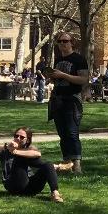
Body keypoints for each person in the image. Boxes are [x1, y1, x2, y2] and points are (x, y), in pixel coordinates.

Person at [42, 32, 90, 174]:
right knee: (62, 133)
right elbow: (58, 80)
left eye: (65, 41)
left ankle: (77, 165)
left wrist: (63, 75)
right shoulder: (57, 60)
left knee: (72, 132)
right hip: (58, 100)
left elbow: (83, 79)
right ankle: (67, 162)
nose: (62, 44)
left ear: (72, 43)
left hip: (72, 100)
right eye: (60, 41)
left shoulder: (79, 59)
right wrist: (51, 77)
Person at [0, 128, 66, 203]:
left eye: (21, 137)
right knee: (20, 157)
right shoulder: (7, 150)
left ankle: (55, 193)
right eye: (16, 136)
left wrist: (16, 151)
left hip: (30, 186)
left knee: (48, 165)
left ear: (27, 140)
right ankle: (56, 167)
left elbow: (37, 154)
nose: (18, 138)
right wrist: (7, 147)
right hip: (13, 185)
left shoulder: (29, 149)